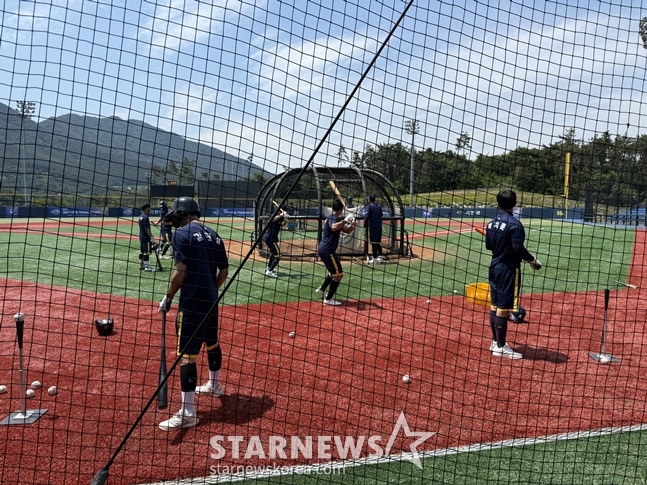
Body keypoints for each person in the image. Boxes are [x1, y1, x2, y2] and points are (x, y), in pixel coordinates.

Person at [158, 196, 229, 430]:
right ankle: (214, 385)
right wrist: (210, 290)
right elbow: (224, 272)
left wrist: (168, 297)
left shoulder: (181, 234)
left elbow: (181, 271)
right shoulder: (214, 234)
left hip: (191, 303)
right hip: (211, 301)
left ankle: (188, 413)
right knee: (212, 342)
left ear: (180, 214)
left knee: (187, 355)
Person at [485, 190, 541, 359]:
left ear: (498, 203)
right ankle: (500, 347)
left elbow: (489, 246)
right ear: (514, 204)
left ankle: (495, 342)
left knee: (495, 306)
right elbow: (517, 248)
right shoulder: (515, 225)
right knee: (503, 308)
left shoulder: (491, 223)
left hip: (494, 267)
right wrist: (532, 260)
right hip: (508, 269)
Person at [315, 199, 356, 306]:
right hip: (327, 250)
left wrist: (352, 224)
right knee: (339, 275)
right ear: (341, 209)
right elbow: (333, 227)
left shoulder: (336, 219)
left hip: (326, 249)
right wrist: (345, 220)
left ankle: (322, 289)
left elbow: (347, 231)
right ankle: (328, 299)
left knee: (333, 272)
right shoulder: (332, 218)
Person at [264, 208, 288, 278]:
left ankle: (269, 268)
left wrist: (285, 218)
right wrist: (281, 215)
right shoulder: (273, 215)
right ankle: (269, 272)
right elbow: (272, 220)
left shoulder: (280, 217)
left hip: (271, 239)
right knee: (278, 255)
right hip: (270, 239)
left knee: (273, 253)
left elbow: (283, 224)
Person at [364, 194, 384, 263]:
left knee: (373, 243)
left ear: (369, 199)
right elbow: (381, 214)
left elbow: (366, 216)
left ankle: (374, 258)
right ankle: (381, 257)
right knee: (378, 242)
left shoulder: (369, 206)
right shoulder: (379, 206)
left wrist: (365, 225)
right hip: (379, 226)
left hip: (373, 227)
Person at [138, 203, 155, 272]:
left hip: (141, 236)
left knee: (142, 251)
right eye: (149, 208)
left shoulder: (141, 216)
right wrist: (151, 236)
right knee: (146, 252)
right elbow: (147, 229)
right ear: (146, 209)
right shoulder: (145, 217)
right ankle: (147, 267)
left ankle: (141, 265)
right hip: (146, 237)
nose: (150, 210)